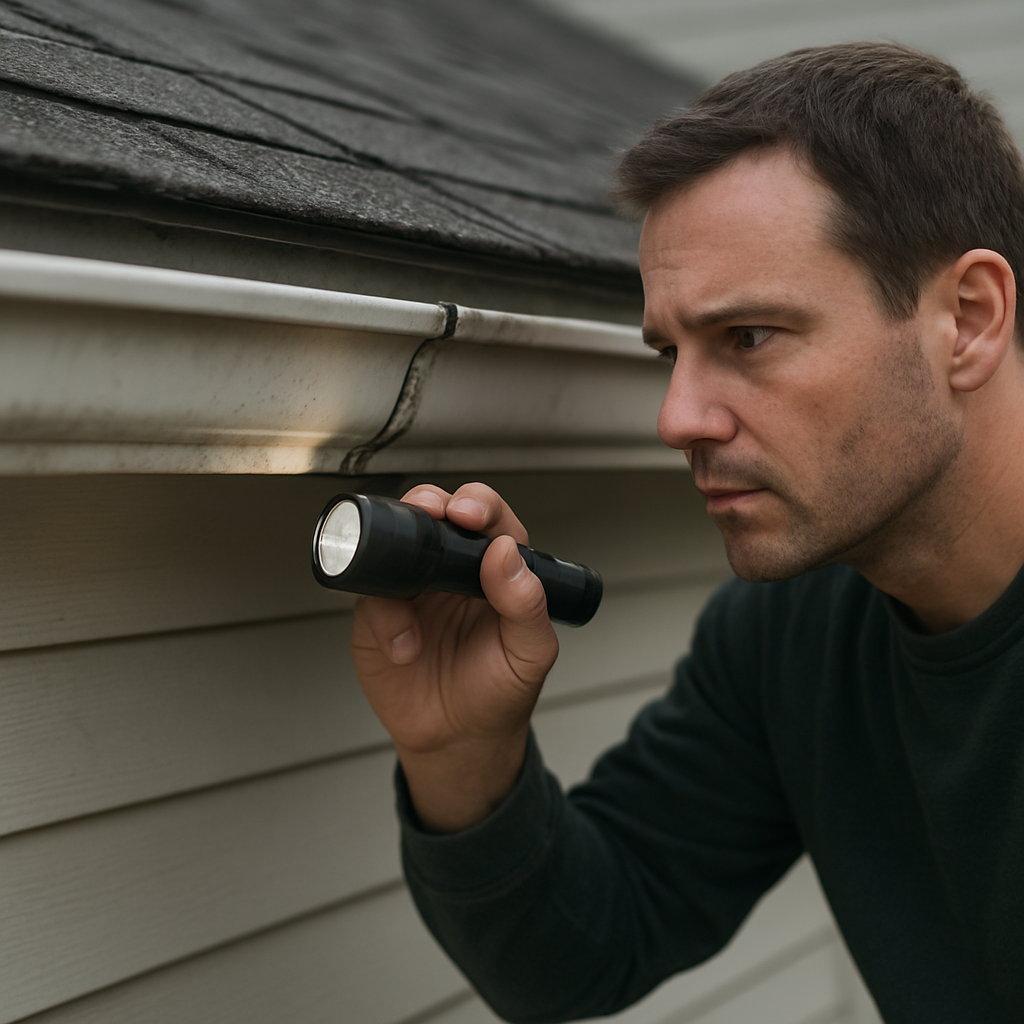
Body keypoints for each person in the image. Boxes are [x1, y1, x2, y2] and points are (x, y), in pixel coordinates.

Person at [351, 43, 1024, 1024]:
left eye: (747, 337)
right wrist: (461, 750)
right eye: (671, 351)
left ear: (966, 320)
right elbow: (582, 948)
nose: (676, 418)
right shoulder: (791, 632)